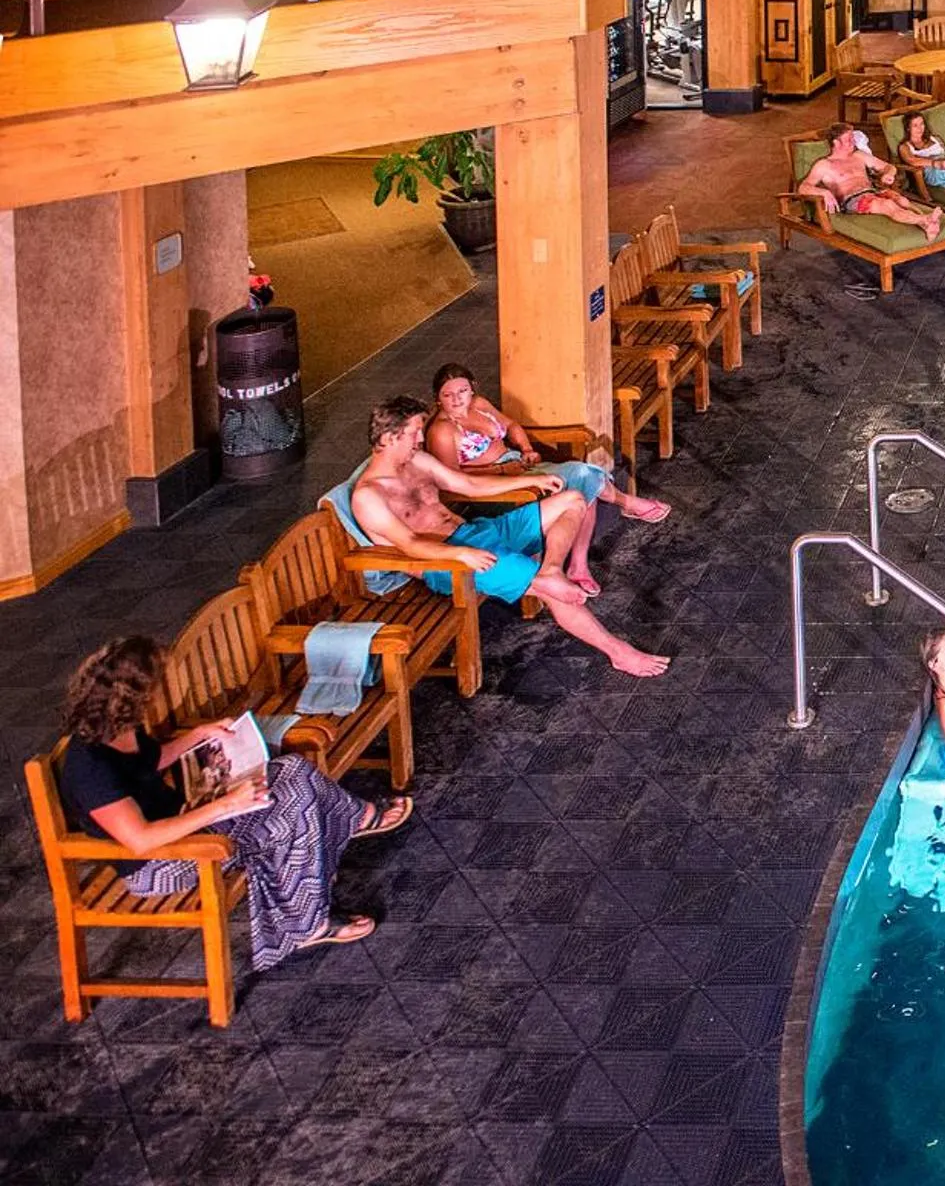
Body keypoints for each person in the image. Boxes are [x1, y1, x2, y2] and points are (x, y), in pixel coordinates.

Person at [56, 636, 414, 968]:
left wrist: (199, 735)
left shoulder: (119, 725)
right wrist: (227, 804)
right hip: (159, 864)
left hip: (181, 820)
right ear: (132, 696)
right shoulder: (90, 767)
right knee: (288, 810)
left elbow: (146, 764)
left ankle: (354, 818)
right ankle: (305, 925)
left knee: (291, 769)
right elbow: (141, 840)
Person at [352, 397, 672, 678]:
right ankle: (619, 653)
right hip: (445, 561)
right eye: (413, 433)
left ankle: (551, 569)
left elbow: (469, 486)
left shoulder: (416, 460)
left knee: (571, 499)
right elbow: (409, 544)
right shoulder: (369, 496)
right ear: (390, 437)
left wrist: (531, 481)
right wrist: (460, 555)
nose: (420, 439)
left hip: (476, 531)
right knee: (555, 593)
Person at [427, 363, 671, 597]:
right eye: (448, 395)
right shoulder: (442, 430)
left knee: (583, 481)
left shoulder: (479, 405)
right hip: (492, 486)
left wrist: (526, 448)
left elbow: (511, 425)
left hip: (519, 466)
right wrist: (503, 472)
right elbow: (453, 480)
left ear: (472, 388)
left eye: (462, 391)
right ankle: (623, 505)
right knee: (583, 478)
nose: (457, 399)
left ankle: (578, 564)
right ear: (438, 398)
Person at [797, 124, 945, 244]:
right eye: (849, 139)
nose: (853, 142)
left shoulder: (859, 155)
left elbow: (889, 166)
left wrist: (888, 174)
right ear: (836, 142)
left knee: (902, 200)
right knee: (887, 206)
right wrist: (824, 192)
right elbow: (803, 187)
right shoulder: (824, 164)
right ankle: (925, 219)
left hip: (873, 191)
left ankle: (927, 224)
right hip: (852, 200)